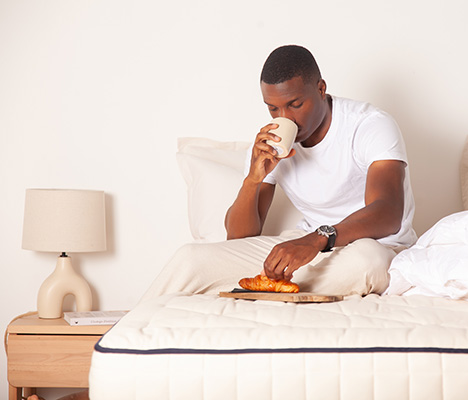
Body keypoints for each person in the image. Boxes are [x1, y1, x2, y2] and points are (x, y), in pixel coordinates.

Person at [142, 45, 416, 299]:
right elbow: (238, 238)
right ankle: (127, 331)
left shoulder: (369, 125)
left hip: (372, 245)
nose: (285, 118)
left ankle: (258, 290)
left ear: (321, 89)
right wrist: (253, 178)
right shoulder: (273, 142)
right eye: (273, 108)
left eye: (295, 104)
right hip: (304, 250)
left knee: (367, 263)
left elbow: (387, 213)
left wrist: (314, 240)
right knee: (190, 258)